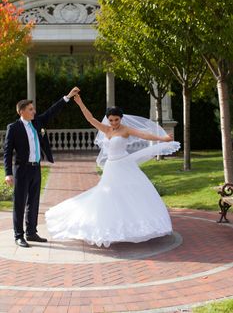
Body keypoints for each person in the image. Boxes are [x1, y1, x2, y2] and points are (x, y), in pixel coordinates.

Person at [45, 92, 180, 248]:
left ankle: (135, 227)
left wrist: (163, 139)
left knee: (130, 195)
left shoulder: (126, 130)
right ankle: (110, 226)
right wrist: (80, 102)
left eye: (116, 119)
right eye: (111, 120)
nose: (114, 122)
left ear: (121, 118)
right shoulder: (106, 129)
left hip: (124, 166)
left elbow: (144, 135)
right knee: (108, 195)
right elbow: (90, 119)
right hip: (111, 167)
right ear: (108, 120)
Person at [4, 87, 79, 248]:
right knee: (19, 203)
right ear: (22, 111)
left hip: (36, 168)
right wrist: (8, 173)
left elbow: (52, 111)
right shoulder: (14, 128)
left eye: (34, 109)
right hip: (22, 170)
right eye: (31, 109)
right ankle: (19, 235)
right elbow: (8, 152)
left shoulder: (37, 123)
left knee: (33, 202)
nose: (34, 111)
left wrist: (67, 97)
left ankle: (31, 232)